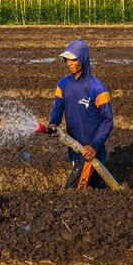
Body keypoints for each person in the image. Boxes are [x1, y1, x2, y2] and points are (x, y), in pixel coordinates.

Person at [43, 38, 113, 189]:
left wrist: (94, 145)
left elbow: (107, 120)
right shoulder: (63, 84)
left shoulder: (97, 88)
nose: (69, 64)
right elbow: (56, 111)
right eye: (66, 60)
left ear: (83, 59)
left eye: (73, 60)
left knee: (72, 191)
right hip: (74, 148)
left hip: (90, 153)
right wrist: (53, 125)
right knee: (92, 188)